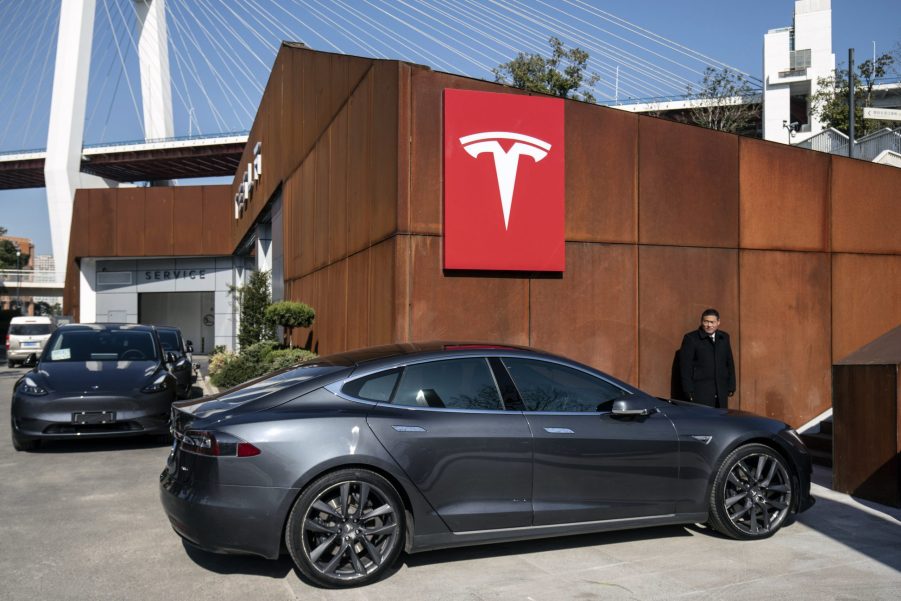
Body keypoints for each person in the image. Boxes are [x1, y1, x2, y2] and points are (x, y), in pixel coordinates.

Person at [679, 308, 735, 408]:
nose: (709, 325)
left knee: (720, 420)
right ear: (701, 322)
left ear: (718, 322)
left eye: (712, 322)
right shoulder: (691, 338)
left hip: (721, 389)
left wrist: (732, 385)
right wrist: (688, 389)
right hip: (700, 391)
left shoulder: (724, 337)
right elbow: (685, 366)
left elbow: (729, 361)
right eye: (706, 321)